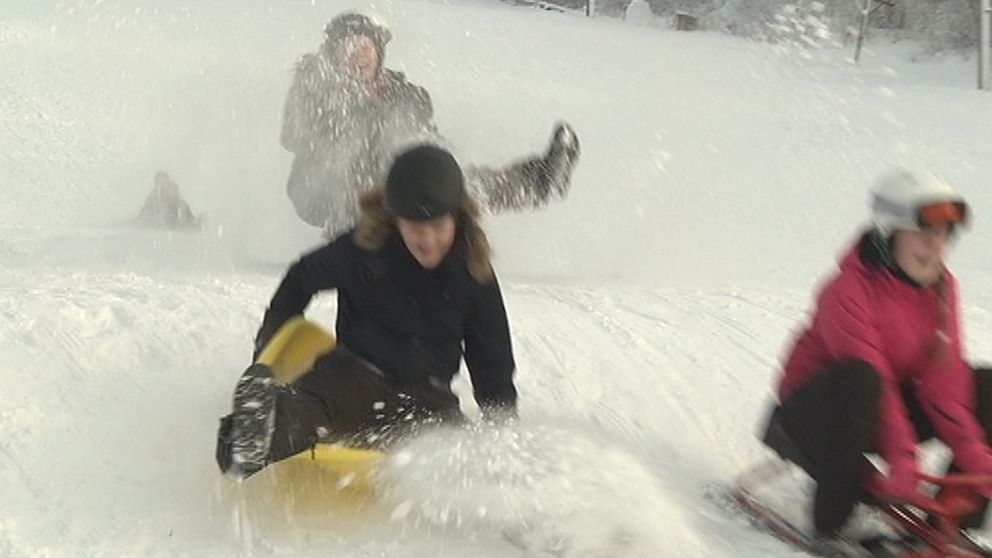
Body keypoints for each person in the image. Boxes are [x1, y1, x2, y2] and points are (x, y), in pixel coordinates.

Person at [216, 145, 518, 478]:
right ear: (396, 220)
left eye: (438, 228)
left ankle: (518, 516)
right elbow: (302, 277)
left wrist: (501, 439)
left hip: (426, 401)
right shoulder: (365, 249)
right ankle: (254, 433)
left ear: (458, 218)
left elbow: (493, 362)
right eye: (417, 229)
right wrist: (269, 343)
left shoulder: (472, 273)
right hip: (352, 378)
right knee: (307, 412)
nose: (429, 241)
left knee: (465, 459)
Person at [761, 169, 992, 545]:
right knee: (861, 379)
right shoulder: (846, 290)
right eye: (923, 233)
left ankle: (953, 516)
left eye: (943, 235)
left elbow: (944, 381)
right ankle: (832, 519)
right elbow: (875, 378)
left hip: (875, 412)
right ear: (889, 233)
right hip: (816, 415)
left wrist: (975, 454)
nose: (935, 247)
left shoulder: (943, 288)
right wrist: (903, 459)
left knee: (986, 384)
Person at [279, 12, 581, 238]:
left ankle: (538, 182)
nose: (359, 56)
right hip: (322, 189)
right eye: (350, 48)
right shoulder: (315, 87)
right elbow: (291, 137)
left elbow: (422, 131)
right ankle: (350, 235)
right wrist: (337, 107)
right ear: (334, 55)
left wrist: (442, 166)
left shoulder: (397, 92)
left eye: (365, 48)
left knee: (450, 179)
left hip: (390, 182)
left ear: (378, 55)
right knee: (363, 163)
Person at [136, 171, 201, 230]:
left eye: (166, 185)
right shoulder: (151, 199)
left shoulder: (182, 204)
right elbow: (143, 216)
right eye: (160, 185)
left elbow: (191, 221)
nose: (162, 188)